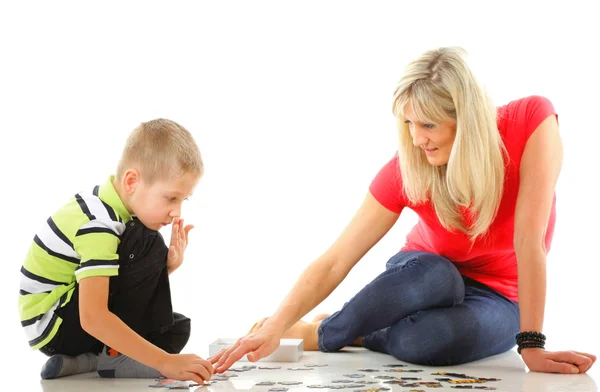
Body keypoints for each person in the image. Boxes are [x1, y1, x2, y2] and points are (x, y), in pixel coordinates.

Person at [209, 47, 596, 374]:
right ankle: (326, 332)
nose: (415, 138)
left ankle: (363, 330)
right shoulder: (410, 165)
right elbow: (335, 260)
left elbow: (530, 240)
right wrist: (277, 325)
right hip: (425, 275)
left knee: (427, 341)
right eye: (408, 122)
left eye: (427, 124)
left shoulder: (532, 123)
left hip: (500, 295)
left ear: (468, 121)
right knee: (440, 277)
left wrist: (531, 346)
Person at [18, 119, 213, 383]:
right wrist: (164, 362)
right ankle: (109, 359)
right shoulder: (101, 223)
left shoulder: (114, 212)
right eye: (171, 198)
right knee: (148, 239)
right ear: (132, 181)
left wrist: (165, 267)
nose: (176, 211)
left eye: (182, 200)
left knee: (175, 327)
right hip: (56, 325)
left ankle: (85, 362)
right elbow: (93, 316)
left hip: (69, 326)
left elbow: (119, 284)